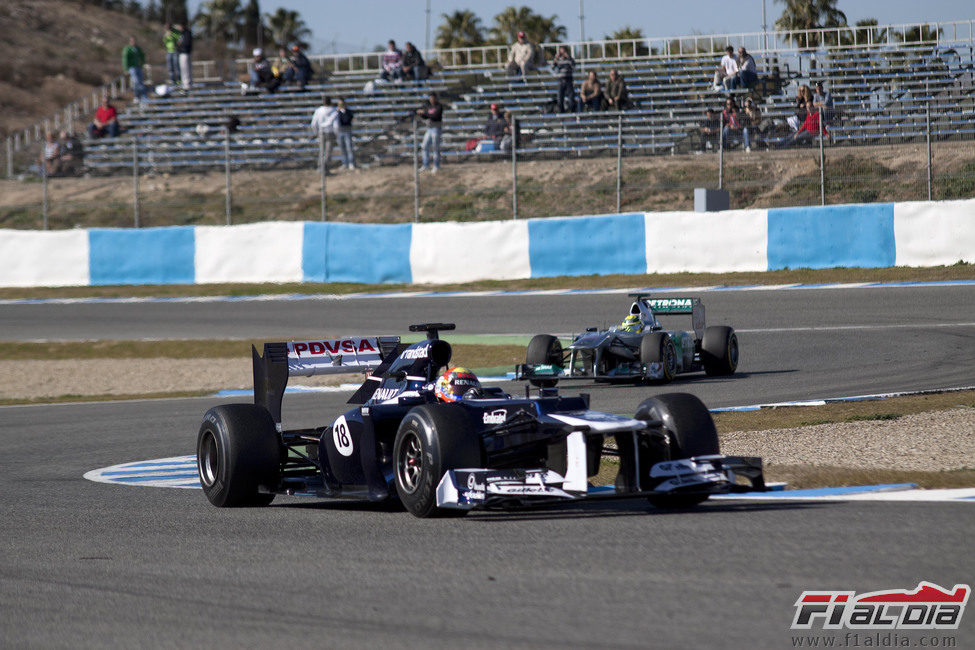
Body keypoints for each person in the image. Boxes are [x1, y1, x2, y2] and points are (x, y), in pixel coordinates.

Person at [310, 95, 338, 174]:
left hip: (321, 132)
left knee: (322, 151)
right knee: (328, 152)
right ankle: (324, 168)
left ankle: (321, 167)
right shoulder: (334, 111)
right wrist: (336, 134)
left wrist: (316, 132)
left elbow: (313, 124)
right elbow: (336, 125)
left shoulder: (319, 110)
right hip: (330, 132)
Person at [416, 92, 443, 172]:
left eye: (433, 97)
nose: (432, 99)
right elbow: (426, 116)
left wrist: (424, 113)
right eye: (431, 98)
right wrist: (421, 113)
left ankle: (436, 165)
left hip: (436, 128)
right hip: (429, 129)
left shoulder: (439, 106)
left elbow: (435, 116)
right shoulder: (428, 106)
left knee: (435, 147)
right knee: (424, 146)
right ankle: (425, 165)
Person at [122, 36, 147, 102]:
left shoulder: (137, 48)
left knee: (141, 81)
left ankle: (143, 95)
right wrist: (126, 69)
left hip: (138, 66)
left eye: (134, 41)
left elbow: (142, 55)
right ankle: (137, 95)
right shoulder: (127, 49)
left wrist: (142, 63)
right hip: (131, 67)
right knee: (136, 82)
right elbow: (125, 59)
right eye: (132, 41)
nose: (133, 42)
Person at [551, 45, 575, 114]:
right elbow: (552, 67)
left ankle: (571, 112)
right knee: (560, 98)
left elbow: (574, 67)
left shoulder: (570, 60)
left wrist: (568, 57)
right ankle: (561, 112)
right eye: (562, 51)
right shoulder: (558, 60)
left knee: (571, 98)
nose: (563, 53)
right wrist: (556, 58)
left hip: (569, 80)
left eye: (564, 51)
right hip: (560, 81)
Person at [335, 98, 355, 170]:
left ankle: (351, 163)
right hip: (340, 131)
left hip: (347, 131)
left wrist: (344, 112)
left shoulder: (348, 112)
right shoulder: (337, 112)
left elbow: (347, 120)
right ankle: (345, 163)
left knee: (349, 148)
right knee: (342, 148)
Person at [175, 23, 193, 91]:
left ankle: (187, 84)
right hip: (182, 53)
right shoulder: (181, 34)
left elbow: (186, 43)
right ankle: (185, 83)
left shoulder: (187, 33)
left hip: (185, 53)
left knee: (185, 69)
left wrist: (179, 47)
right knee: (184, 69)